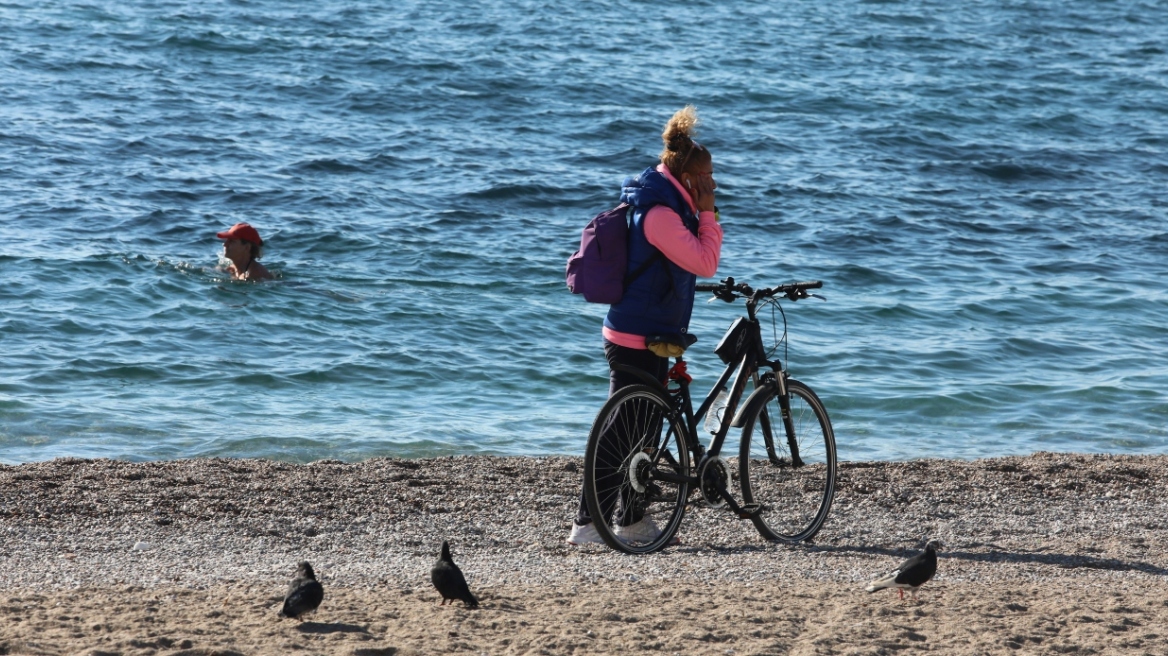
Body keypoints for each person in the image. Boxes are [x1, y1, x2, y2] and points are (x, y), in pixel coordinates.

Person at [568, 106, 723, 545]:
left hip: (653, 334)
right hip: (634, 337)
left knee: (645, 434)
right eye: (707, 176)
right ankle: (586, 524)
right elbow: (705, 262)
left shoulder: (668, 202)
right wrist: (709, 214)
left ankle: (631, 521)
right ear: (688, 177)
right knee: (621, 434)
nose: (713, 184)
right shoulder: (660, 215)